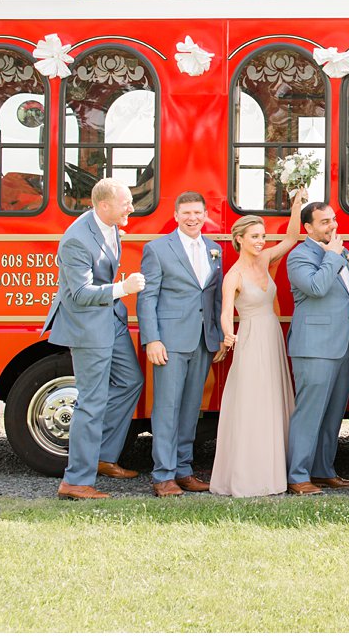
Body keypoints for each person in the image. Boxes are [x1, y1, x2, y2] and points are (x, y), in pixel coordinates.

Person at [40, 178, 145, 499]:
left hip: (110, 319)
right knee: (91, 401)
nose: (131, 207)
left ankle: (102, 457)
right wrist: (122, 289)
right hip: (87, 325)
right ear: (103, 206)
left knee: (130, 381)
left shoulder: (111, 225)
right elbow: (81, 293)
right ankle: (76, 481)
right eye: (126, 202)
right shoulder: (76, 240)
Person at [209, 192, 305, 497]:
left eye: (262, 236)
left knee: (274, 399)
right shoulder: (233, 275)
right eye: (254, 236)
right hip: (249, 338)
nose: (261, 241)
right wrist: (228, 335)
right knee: (253, 403)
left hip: (272, 334)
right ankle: (249, 474)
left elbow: (291, 238)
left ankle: (275, 469)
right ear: (239, 239)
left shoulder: (265, 259)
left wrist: (296, 206)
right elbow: (226, 313)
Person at [137, 191, 225, 496]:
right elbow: (147, 297)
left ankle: (184, 470)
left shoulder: (214, 250)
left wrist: (218, 336)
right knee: (167, 408)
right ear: (176, 215)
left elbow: (214, 298)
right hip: (170, 341)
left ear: (205, 216)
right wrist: (153, 339)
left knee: (191, 408)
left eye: (198, 213)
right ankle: (163, 476)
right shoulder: (158, 249)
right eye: (186, 213)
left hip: (203, 340)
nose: (192, 218)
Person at [284, 201, 349, 495]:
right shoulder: (299, 256)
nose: (332, 226)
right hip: (314, 347)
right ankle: (297, 475)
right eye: (324, 222)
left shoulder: (340, 252)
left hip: (344, 347)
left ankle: (322, 470)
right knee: (309, 413)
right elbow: (317, 288)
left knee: (334, 413)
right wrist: (332, 256)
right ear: (308, 228)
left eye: (333, 220)